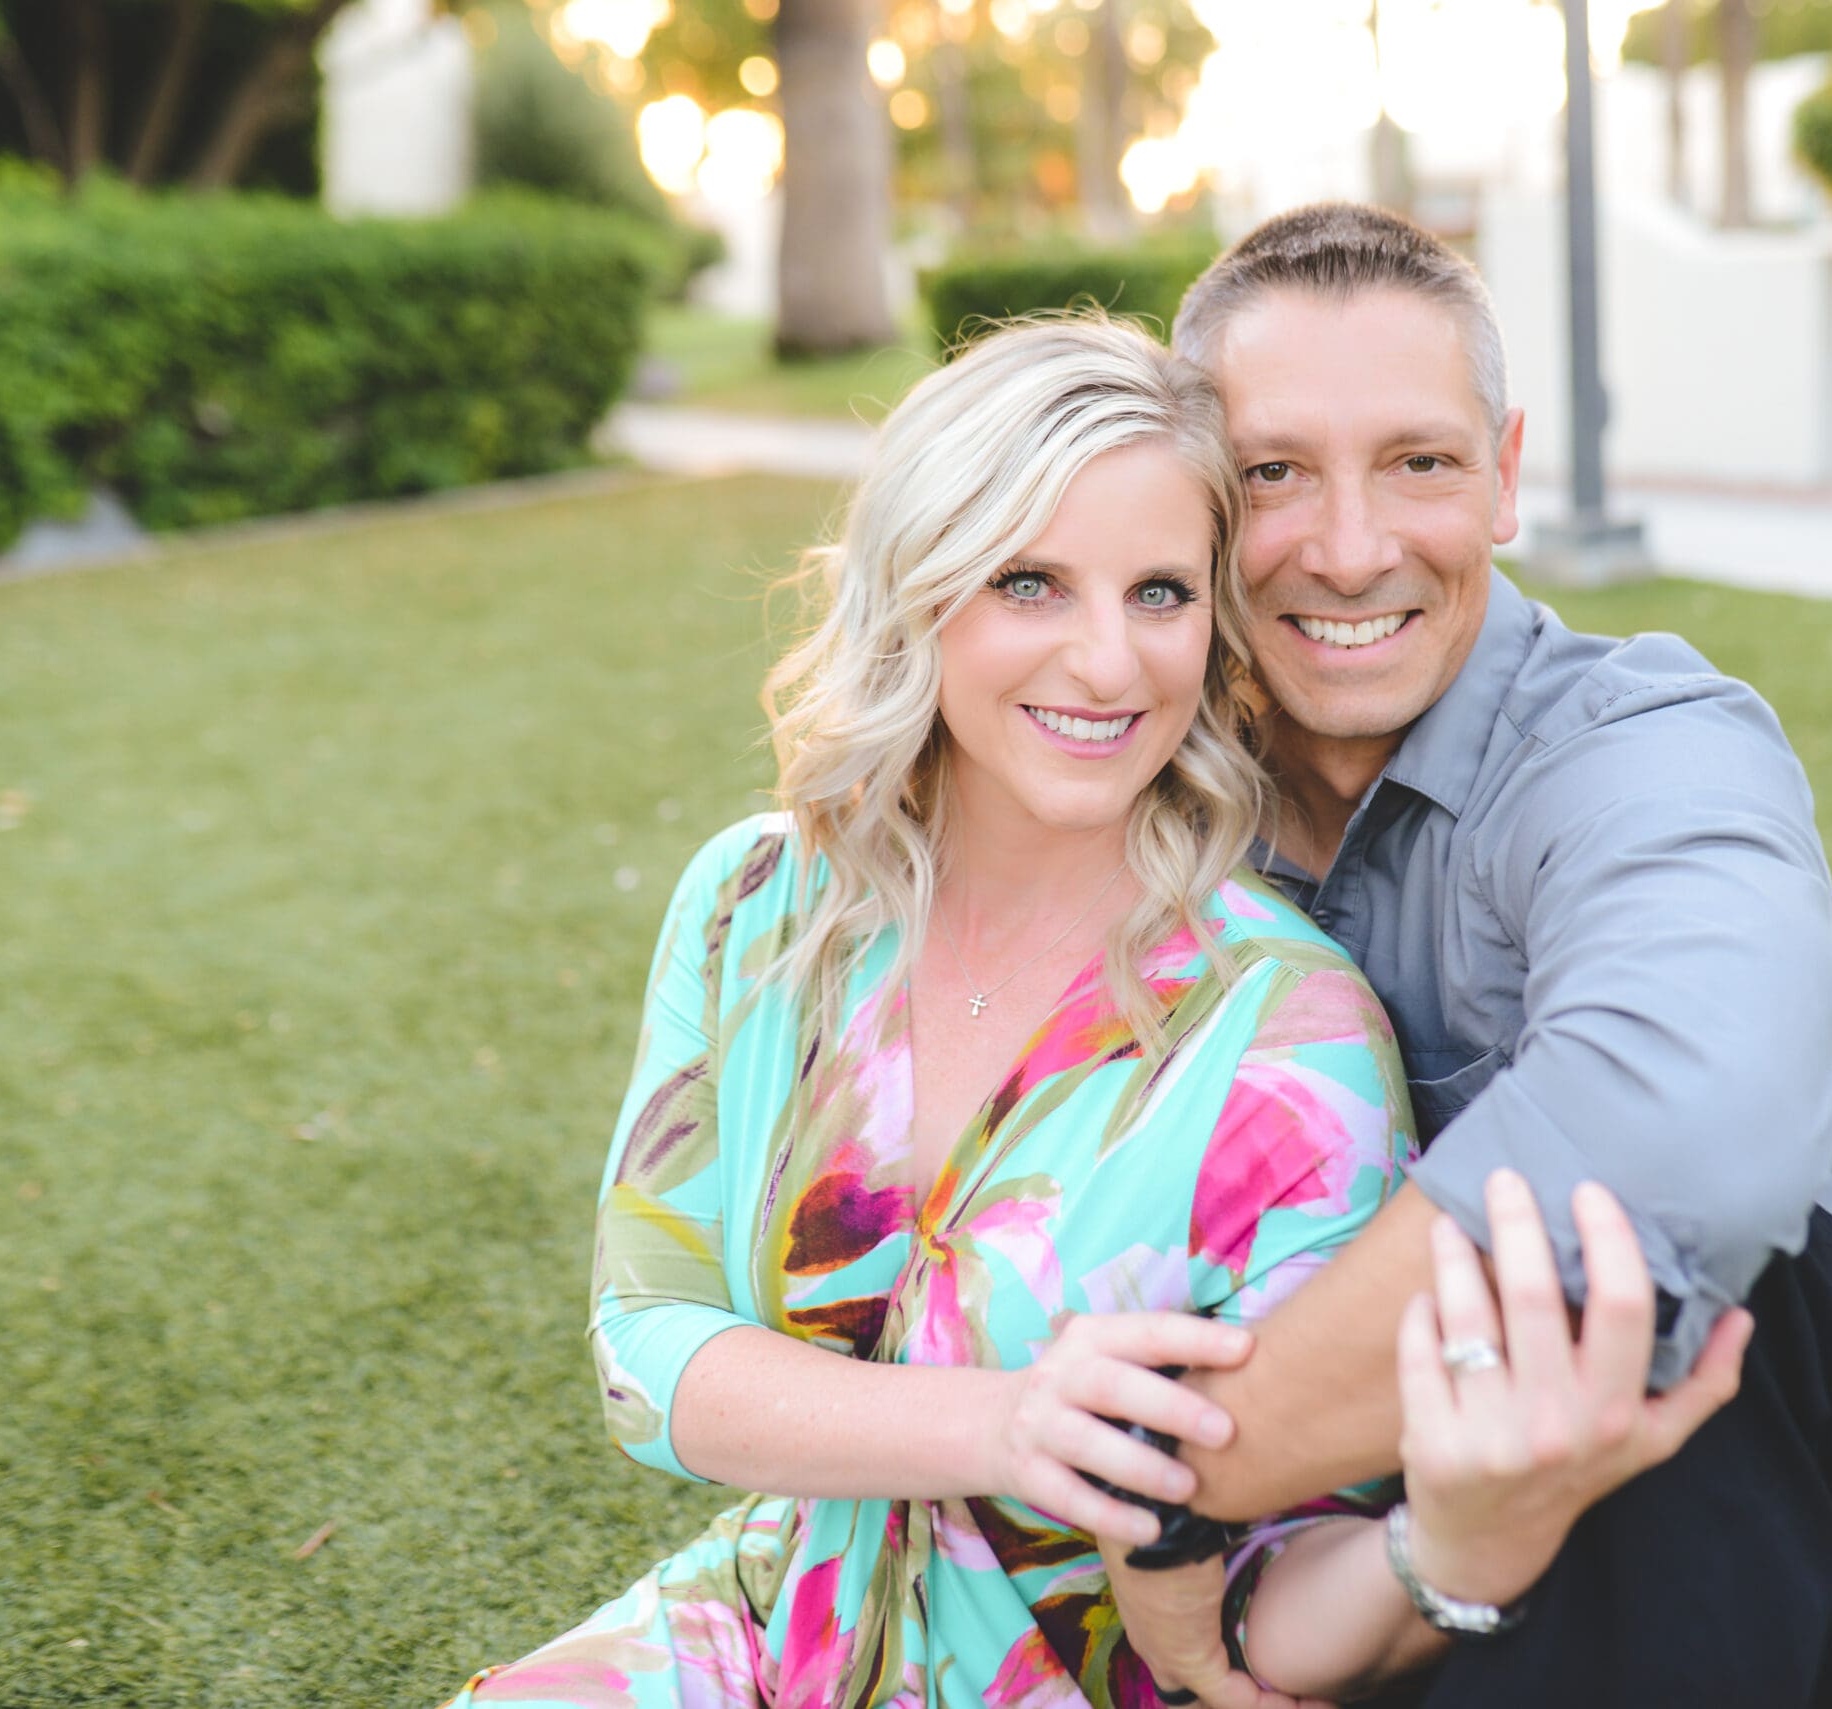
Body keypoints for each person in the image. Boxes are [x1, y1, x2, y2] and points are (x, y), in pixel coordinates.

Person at [434, 316, 1721, 1709]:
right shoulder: (760, 907)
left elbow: (1276, 1591)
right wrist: (1006, 1420)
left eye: (1160, 593)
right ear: (921, 591)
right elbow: (650, 1344)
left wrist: (1459, 1540)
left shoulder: (1286, 1043)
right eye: (1032, 581)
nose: (1108, 665)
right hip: (769, 1621)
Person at [1097, 204, 1832, 1709]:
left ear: (1505, 475)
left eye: (1420, 462)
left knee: (1663, 1288)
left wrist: (1180, 1484)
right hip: (1451, 1554)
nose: (1353, 546)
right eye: (1271, 477)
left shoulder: (1646, 740)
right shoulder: (1151, 805)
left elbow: (1680, 1147)